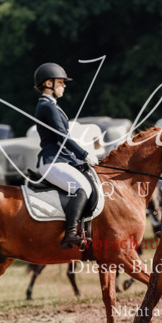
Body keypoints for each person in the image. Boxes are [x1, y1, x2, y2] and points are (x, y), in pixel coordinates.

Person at [33, 62, 97, 249]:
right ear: (48, 84)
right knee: (81, 187)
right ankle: (70, 233)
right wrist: (84, 154)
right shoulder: (47, 107)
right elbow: (62, 137)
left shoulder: (51, 106)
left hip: (59, 159)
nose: (64, 86)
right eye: (60, 82)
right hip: (51, 161)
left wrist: (77, 161)